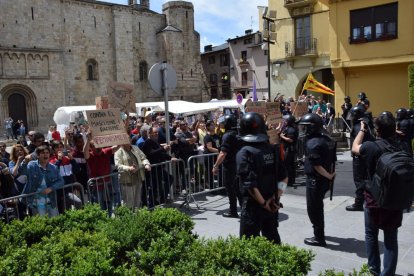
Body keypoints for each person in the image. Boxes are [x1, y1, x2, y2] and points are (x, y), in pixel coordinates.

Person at [352, 112, 404, 276]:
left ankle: (373, 270)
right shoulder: (403, 146)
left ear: (378, 130)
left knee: (371, 235)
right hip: (395, 198)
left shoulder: (371, 146)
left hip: (374, 198)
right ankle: (388, 273)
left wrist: (362, 130)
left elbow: (354, 148)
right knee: (391, 238)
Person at [236, 112, 288, 244]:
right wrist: (274, 198)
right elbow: (284, 178)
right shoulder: (273, 149)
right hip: (272, 203)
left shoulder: (245, 152)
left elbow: (250, 185)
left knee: (249, 244)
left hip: (254, 206)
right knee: (272, 239)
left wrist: (264, 204)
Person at [298, 113, 336, 247]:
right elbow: (332, 161)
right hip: (324, 180)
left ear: (312, 128)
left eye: (306, 127)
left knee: (314, 209)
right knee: (317, 207)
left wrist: (328, 176)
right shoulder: (328, 139)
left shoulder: (312, 143)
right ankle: (319, 232)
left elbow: (317, 165)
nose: (303, 130)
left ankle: (319, 237)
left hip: (316, 180)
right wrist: (330, 177)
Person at [21, 145, 64, 217]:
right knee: (41, 224)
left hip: (51, 201)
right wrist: (24, 162)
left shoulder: (53, 167)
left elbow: (61, 181)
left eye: (47, 153)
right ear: (38, 155)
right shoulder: (31, 165)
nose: (45, 154)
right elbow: (22, 171)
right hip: (36, 202)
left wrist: (51, 188)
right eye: (43, 153)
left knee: (55, 221)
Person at [212, 114, 242, 218]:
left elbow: (223, 153)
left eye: (224, 123)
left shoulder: (227, 135)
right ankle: (243, 209)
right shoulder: (238, 133)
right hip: (238, 164)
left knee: (230, 188)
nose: (222, 124)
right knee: (238, 188)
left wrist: (215, 166)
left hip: (229, 166)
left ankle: (233, 211)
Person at [346, 106, 375, 212]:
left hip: (359, 157)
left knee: (359, 180)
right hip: (366, 156)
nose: (351, 117)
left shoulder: (358, 127)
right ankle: (367, 199)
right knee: (366, 178)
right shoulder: (366, 124)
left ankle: (358, 203)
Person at [142, 126, 177, 207]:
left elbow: (162, 153)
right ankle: (152, 204)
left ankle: (161, 199)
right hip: (152, 169)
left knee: (169, 178)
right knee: (154, 186)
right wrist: (163, 149)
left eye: (157, 132)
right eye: (154, 132)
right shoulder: (147, 142)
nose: (157, 134)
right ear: (150, 134)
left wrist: (170, 158)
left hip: (159, 167)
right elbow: (152, 153)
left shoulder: (155, 142)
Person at [114, 142, 151, 210]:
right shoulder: (118, 152)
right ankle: (129, 219)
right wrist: (129, 168)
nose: (128, 142)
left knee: (138, 201)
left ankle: (137, 218)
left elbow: (143, 158)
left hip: (138, 178)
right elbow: (118, 165)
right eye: (126, 140)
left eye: (129, 139)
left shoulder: (135, 147)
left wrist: (146, 164)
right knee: (128, 203)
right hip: (127, 181)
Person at [279, 114, 299, 187]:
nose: (284, 121)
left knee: (288, 165)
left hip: (289, 149)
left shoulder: (291, 129)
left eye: (285, 120)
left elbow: (290, 140)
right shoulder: (288, 127)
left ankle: (290, 180)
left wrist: (282, 136)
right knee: (289, 165)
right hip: (287, 149)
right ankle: (290, 180)